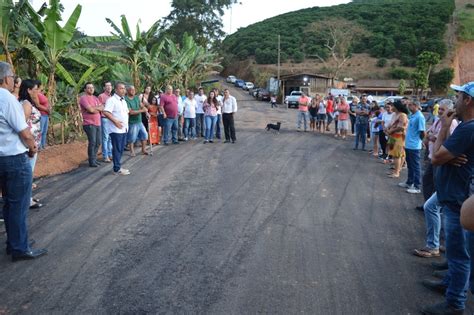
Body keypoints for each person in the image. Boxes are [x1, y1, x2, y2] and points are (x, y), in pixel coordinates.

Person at [421, 82, 474, 315]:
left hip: (457, 199)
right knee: (456, 251)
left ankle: (455, 303)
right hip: (455, 196)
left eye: (459, 96)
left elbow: (436, 157)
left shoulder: (467, 128)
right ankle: (449, 286)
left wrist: (443, 128)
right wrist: (445, 156)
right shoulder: (466, 127)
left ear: (468, 101)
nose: (456, 100)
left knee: (459, 254)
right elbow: (440, 156)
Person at [0, 61, 47, 261]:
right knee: (18, 205)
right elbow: (24, 132)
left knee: (9, 204)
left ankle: (14, 242)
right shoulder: (7, 99)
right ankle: (20, 247)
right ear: (5, 78)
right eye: (12, 77)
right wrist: (32, 147)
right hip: (14, 159)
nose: (13, 80)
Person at [413, 99, 458, 259]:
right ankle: (438, 246)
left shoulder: (452, 125)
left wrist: (434, 137)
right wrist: (432, 137)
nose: (440, 112)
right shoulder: (441, 122)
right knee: (430, 194)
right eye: (439, 109)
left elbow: (447, 147)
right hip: (434, 160)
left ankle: (436, 245)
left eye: (443, 110)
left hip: (443, 166)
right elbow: (428, 135)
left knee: (438, 206)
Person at [19, 79, 43, 209]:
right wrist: (31, 144)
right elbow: (23, 124)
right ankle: (27, 200)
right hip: (30, 143)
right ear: (28, 90)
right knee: (28, 173)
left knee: (29, 172)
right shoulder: (26, 104)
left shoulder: (27, 102)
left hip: (33, 142)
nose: (37, 92)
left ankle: (27, 197)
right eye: (35, 89)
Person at [103, 82, 130, 175]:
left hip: (124, 129)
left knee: (121, 148)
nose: (123, 90)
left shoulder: (123, 101)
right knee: (117, 149)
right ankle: (116, 169)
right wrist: (115, 121)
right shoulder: (112, 100)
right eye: (121, 88)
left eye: (124, 88)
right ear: (116, 90)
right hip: (116, 129)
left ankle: (118, 166)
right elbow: (106, 112)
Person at [398, 101, 425, 194]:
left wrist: (420, 141)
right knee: (410, 165)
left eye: (410, 105)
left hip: (414, 145)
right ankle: (409, 182)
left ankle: (417, 186)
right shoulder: (412, 115)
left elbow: (422, 132)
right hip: (409, 144)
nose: (408, 106)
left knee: (416, 166)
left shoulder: (419, 117)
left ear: (416, 106)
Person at [79, 83, 104, 167]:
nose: (91, 89)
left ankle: (94, 158)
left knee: (98, 142)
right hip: (89, 123)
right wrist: (96, 109)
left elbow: (102, 107)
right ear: (85, 90)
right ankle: (91, 161)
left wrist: (94, 108)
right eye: (89, 88)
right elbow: (91, 110)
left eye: (92, 87)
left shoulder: (96, 98)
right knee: (92, 142)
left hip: (98, 123)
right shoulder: (83, 98)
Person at [386, 100, 408, 178]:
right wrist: (387, 128)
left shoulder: (402, 115)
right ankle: (396, 170)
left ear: (396, 107)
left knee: (397, 155)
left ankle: (396, 172)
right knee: (394, 153)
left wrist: (390, 130)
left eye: (393, 106)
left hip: (399, 137)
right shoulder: (395, 114)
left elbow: (401, 127)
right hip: (393, 136)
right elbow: (391, 124)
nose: (391, 107)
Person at [125, 85, 149, 156]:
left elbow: (141, 105)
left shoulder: (136, 98)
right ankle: (132, 151)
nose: (133, 91)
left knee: (144, 135)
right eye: (131, 90)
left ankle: (143, 149)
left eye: (134, 90)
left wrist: (146, 112)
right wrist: (142, 110)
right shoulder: (126, 99)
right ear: (128, 91)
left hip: (139, 121)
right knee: (132, 138)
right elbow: (131, 112)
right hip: (132, 122)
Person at [98, 82, 113, 163]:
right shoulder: (101, 96)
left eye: (110, 86)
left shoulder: (111, 96)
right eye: (107, 86)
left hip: (111, 118)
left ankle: (110, 154)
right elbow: (100, 107)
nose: (108, 87)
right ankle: (105, 155)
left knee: (110, 137)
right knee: (105, 137)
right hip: (105, 118)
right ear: (104, 88)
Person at [36, 82, 50, 150]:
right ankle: (39, 146)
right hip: (42, 114)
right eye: (42, 85)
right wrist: (47, 109)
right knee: (41, 131)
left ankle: (43, 145)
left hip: (46, 115)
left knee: (44, 131)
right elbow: (37, 105)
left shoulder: (41, 94)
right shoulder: (37, 94)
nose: (43, 86)